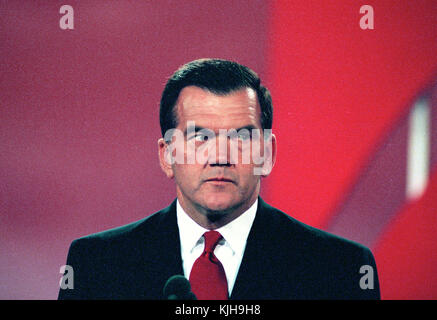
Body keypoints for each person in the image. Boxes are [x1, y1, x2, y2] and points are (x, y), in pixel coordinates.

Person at [58, 58, 380, 300]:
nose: (220, 156)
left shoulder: (341, 270)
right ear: (167, 155)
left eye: (240, 137)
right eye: (200, 137)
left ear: (267, 155)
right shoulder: (97, 265)